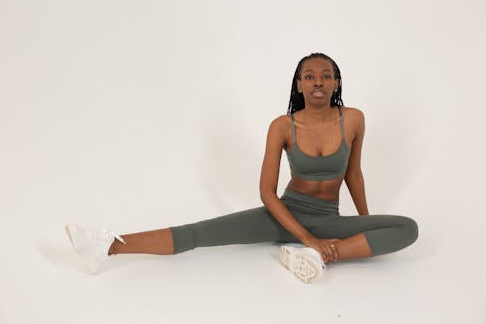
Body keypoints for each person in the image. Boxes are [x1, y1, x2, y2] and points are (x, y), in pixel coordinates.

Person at [65, 52, 418, 283]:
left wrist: (361, 227)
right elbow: (266, 192)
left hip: (330, 219)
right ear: (299, 85)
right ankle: (107, 246)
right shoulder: (283, 126)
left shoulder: (354, 119)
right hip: (283, 214)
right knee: (199, 233)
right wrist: (307, 236)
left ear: (336, 83)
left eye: (326, 76)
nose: (318, 83)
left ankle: (325, 256)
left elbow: (353, 174)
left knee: (408, 228)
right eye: (309, 77)